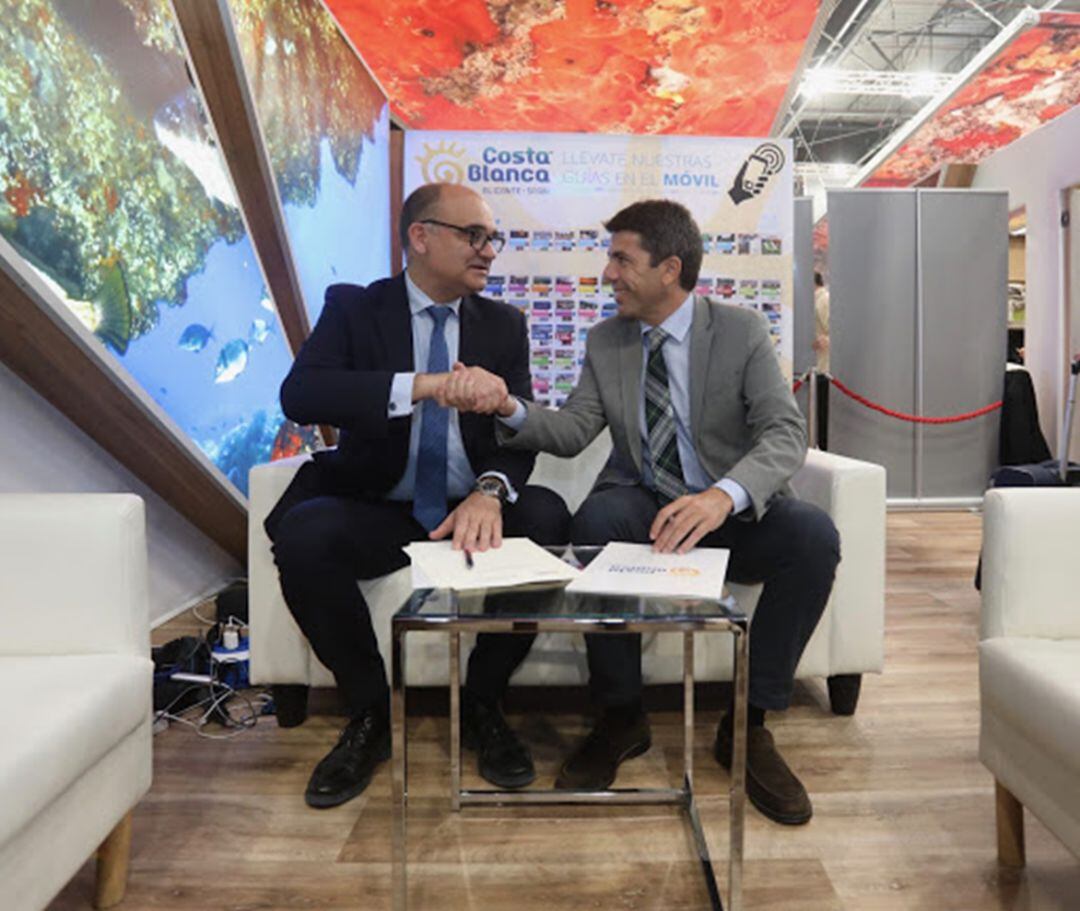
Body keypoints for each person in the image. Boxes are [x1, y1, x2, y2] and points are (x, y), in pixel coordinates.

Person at [457, 199, 840, 825]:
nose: (608, 273)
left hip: (723, 509)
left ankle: (747, 724)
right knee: (596, 522)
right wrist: (509, 409)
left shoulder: (739, 330)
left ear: (669, 268)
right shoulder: (607, 340)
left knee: (813, 536)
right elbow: (577, 428)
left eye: (620, 259)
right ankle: (621, 715)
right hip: (645, 502)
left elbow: (783, 434)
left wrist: (724, 496)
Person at [265, 182, 570, 809]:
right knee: (304, 534)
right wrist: (423, 385)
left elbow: (520, 432)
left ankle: (482, 701)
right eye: (474, 236)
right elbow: (303, 395)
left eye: (494, 238)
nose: (489, 251)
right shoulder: (355, 308)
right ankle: (371, 713)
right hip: (379, 506)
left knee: (548, 516)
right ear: (421, 237)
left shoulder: (504, 324)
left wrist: (489, 490)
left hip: (468, 510)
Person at [813, 271, 830, 449]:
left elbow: (837, 331)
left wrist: (827, 340)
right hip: (818, 369)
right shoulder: (817, 301)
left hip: (824, 370)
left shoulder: (823, 300)